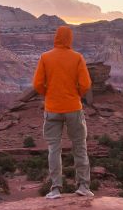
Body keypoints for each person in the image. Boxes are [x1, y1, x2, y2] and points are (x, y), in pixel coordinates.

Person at [32, 25, 93, 199]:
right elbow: (86, 84)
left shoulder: (45, 57)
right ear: (70, 38)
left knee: (54, 149)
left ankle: (56, 189)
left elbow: (37, 84)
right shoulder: (77, 58)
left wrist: (49, 94)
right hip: (74, 108)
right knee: (80, 147)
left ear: (56, 38)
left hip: (52, 108)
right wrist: (76, 95)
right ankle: (83, 186)